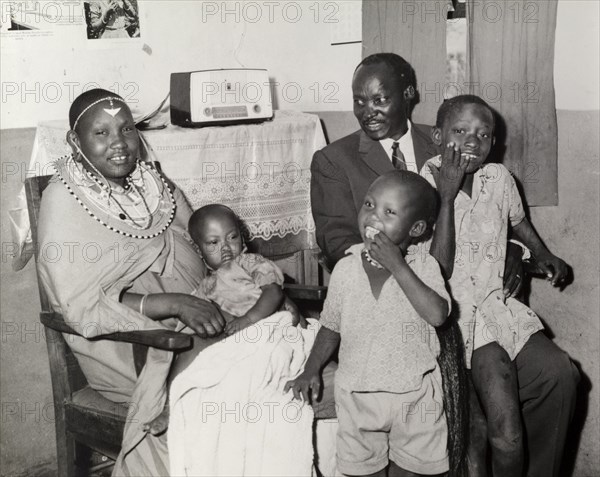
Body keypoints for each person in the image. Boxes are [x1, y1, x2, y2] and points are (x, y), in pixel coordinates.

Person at [37, 88, 235, 475]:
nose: (119, 144)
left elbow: (205, 251)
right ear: (75, 142)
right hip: (125, 344)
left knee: (268, 364)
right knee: (224, 387)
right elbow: (78, 304)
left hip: (198, 318)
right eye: (102, 133)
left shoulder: (154, 184)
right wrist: (176, 304)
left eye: (126, 128)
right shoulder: (63, 199)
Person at [422, 94, 580, 477]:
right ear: (439, 136)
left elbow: (518, 222)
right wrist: (445, 198)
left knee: (517, 423)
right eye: (461, 131)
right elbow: (436, 267)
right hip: (449, 319)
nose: (472, 142)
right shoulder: (420, 186)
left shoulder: (499, 179)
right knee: (487, 435)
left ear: (494, 143)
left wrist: (541, 254)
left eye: (483, 134)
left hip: (495, 310)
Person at [287, 171, 466, 477]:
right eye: (369, 204)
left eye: (389, 212)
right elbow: (331, 326)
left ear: (417, 228)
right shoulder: (346, 268)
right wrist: (311, 368)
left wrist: (397, 266)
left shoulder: (424, 266)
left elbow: (437, 314)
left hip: (414, 397)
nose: (373, 216)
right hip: (357, 396)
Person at [311, 52, 525, 297]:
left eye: (379, 99)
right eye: (359, 101)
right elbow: (337, 244)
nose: (368, 112)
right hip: (386, 289)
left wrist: (512, 249)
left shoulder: (448, 141)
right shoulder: (333, 160)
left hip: (463, 284)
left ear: (408, 94)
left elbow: (486, 207)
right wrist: (410, 276)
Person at [143, 203, 287, 435]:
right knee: (186, 350)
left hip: (263, 326)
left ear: (243, 238)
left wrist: (249, 320)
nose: (226, 247)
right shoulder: (207, 285)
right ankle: (171, 406)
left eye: (232, 237)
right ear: (199, 250)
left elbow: (273, 292)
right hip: (230, 341)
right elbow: (196, 315)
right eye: (214, 242)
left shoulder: (251, 263)